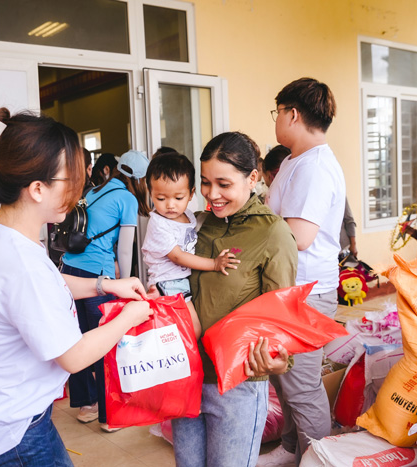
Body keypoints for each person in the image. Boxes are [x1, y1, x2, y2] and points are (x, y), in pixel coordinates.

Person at [0, 108, 153, 466]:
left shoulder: (2, 235)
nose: (78, 190)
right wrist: (130, 316)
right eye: (70, 179)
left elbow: (48, 285)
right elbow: (73, 356)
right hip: (14, 436)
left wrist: (106, 285)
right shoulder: (19, 260)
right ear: (38, 189)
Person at [172, 131, 298, 467]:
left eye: (223, 184)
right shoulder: (196, 226)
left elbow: (282, 318)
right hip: (187, 376)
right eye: (205, 182)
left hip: (237, 385)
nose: (211, 194)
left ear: (253, 177)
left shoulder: (273, 233)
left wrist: (280, 359)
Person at [263, 78, 346, 466]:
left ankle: (319, 457)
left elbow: (300, 236)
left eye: (276, 112)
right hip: (292, 288)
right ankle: (293, 449)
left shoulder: (314, 167)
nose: (276, 120)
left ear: (292, 114)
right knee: (287, 377)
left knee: (302, 385)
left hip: (307, 292)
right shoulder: (296, 160)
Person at [60, 149, 151, 431]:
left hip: (68, 271)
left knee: (78, 339)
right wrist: (122, 282)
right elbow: (125, 250)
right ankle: (110, 416)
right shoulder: (127, 198)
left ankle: (87, 405)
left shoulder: (94, 190)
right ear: (140, 179)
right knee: (103, 343)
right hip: (96, 275)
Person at [142, 152, 239, 338]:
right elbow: (177, 256)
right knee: (190, 331)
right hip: (167, 283)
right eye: (161, 199)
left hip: (180, 282)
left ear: (191, 194)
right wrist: (214, 264)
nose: (170, 205)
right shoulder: (158, 223)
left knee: (182, 331)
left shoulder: (189, 215)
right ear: (151, 193)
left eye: (178, 198)